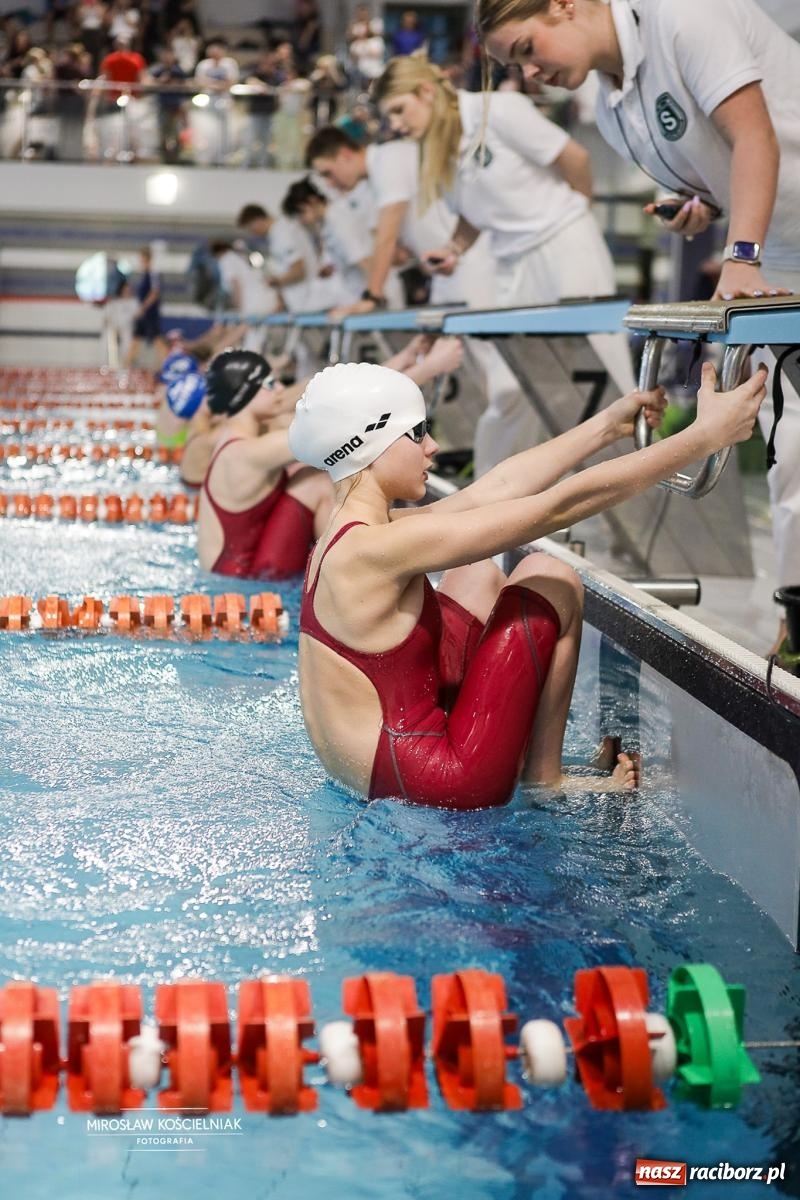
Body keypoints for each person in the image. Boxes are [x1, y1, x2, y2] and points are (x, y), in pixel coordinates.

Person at [288, 358, 767, 808]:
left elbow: (495, 489)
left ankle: (505, 750)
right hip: (434, 780)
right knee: (552, 577)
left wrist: (607, 427)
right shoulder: (379, 548)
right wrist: (702, 438)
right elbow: (558, 508)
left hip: (374, 768)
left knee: (475, 574)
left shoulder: (350, 536)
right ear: (371, 445)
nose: (432, 446)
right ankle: (544, 780)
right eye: (417, 433)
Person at [476, 0, 800, 651]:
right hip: (782, 255)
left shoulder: (681, 16)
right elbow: (721, 171)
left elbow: (755, 136)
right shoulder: (611, 108)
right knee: (789, 446)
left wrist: (740, 255)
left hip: (766, 255)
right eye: (516, 65)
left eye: (528, 49)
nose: (531, 73)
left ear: (564, 5)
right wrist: (701, 207)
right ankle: (795, 623)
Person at [370, 55, 635, 469]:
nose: (396, 124)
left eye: (399, 110)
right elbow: (473, 216)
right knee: (510, 389)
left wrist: (576, 222)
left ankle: (636, 487)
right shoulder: (438, 148)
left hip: (565, 249)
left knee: (603, 376)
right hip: (512, 264)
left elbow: (576, 160)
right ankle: (491, 497)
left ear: (426, 92)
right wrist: (453, 250)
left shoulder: (499, 111)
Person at [198, 349, 334, 579]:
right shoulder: (245, 453)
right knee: (316, 482)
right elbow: (331, 433)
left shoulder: (236, 439)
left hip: (234, 572)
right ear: (244, 393)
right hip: (241, 580)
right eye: (270, 383)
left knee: (305, 474)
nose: (280, 388)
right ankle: (339, 576)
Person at [126, 246, 167, 367]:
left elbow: (154, 293)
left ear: (148, 260)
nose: (141, 263)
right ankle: (125, 367)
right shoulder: (144, 276)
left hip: (150, 314)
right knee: (136, 340)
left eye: (143, 260)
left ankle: (167, 364)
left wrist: (143, 308)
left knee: (157, 340)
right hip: (143, 315)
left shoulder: (153, 274)